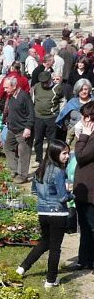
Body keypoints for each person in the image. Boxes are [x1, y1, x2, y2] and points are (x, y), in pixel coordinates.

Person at [16, 140, 72, 287]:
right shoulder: (59, 172)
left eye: (68, 153)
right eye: (64, 153)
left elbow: (34, 191)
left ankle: (22, 268)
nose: (67, 156)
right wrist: (72, 194)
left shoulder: (40, 169)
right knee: (55, 248)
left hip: (42, 211)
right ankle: (51, 280)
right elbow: (62, 197)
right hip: (58, 213)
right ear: (55, 153)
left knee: (44, 242)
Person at [72, 101, 94, 270]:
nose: (81, 120)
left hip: (91, 190)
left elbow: (80, 156)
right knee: (85, 227)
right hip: (84, 188)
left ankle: (89, 260)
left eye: (84, 117)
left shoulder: (91, 137)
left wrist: (84, 136)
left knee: (91, 226)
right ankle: (84, 259)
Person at [3, 76, 35, 183]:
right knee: (7, 147)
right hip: (12, 129)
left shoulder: (24, 96)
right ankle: (14, 169)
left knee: (23, 153)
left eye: (6, 87)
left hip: (23, 130)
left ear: (14, 86)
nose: (5, 90)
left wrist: (28, 128)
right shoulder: (11, 96)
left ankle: (22, 175)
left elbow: (31, 113)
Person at [32, 71, 62, 163]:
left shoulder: (58, 88)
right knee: (38, 139)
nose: (44, 84)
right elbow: (33, 99)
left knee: (51, 140)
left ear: (50, 79)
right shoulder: (37, 86)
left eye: (46, 82)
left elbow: (62, 101)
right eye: (42, 82)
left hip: (51, 117)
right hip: (38, 117)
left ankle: (49, 159)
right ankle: (39, 159)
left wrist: (59, 115)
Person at [56, 78, 93, 144]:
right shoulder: (72, 102)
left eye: (85, 89)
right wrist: (69, 128)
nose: (83, 91)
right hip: (73, 136)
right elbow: (65, 117)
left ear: (89, 89)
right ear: (77, 91)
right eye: (81, 89)